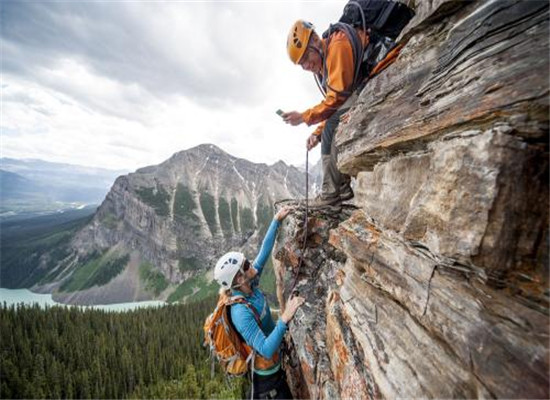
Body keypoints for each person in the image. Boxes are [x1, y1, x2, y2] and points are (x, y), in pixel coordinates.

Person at [214, 206, 305, 400]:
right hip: (267, 383)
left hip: (276, 369)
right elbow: (265, 348)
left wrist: (276, 220)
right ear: (239, 279)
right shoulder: (240, 312)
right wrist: (286, 316)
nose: (251, 264)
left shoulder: (250, 283)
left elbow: (264, 252)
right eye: (246, 266)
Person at [282, 20, 370, 210]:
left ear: (315, 41)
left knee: (331, 127)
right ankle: (342, 188)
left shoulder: (337, 46)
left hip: (367, 88)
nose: (306, 66)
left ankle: (330, 194)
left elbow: (337, 99)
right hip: (358, 92)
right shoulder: (323, 64)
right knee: (328, 127)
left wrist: (305, 117)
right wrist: (317, 133)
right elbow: (335, 105)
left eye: (306, 58)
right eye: (301, 64)